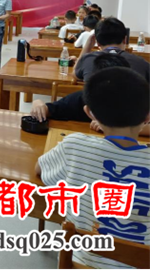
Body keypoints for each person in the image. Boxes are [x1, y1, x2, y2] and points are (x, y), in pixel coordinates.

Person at [36, 67, 150, 269]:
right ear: (148, 116)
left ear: (89, 113)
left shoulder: (75, 146)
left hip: (80, 264)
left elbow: (40, 168)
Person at [29, 54, 150, 138]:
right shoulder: (82, 98)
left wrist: (115, 129)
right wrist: (38, 103)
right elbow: (51, 109)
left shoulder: (137, 100)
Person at [75, 17, 150, 82]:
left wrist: (87, 48)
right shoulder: (140, 62)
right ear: (125, 40)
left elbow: (75, 74)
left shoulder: (88, 59)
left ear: (97, 43)